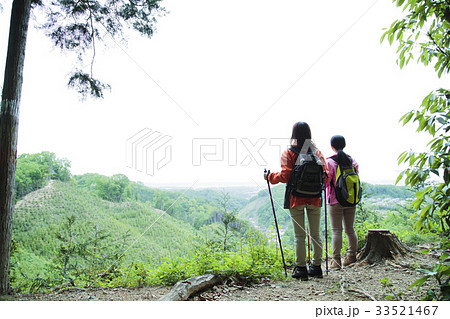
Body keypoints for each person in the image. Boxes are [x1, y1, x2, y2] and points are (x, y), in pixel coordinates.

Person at [264, 122, 329, 280]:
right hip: (315, 199)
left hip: (296, 199)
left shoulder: (289, 153)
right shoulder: (317, 153)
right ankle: (316, 267)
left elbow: (285, 176)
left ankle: (301, 269)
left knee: (299, 236)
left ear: (293, 134)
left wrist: (270, 177)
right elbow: (326, 177)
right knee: (316, 234)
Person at [325, 135, 359, 268]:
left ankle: (336, 261)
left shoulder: (330, 162)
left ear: (331, 146)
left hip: (335, 201)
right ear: (344, 145)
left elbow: (327, 182)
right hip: (351, 200)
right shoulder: (353, 161)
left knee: (336, 231)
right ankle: (351, 256)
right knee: (350, 229)